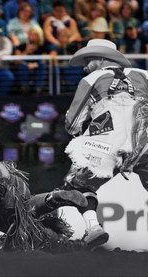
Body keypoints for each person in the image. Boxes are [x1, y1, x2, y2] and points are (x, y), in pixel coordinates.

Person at [62, 38, 148, 251]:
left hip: (105, 142)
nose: (85, 65)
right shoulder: (145, 75)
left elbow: (72, 124)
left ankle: (93, 228)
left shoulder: (91, 78)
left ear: (101, 59)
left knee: (78, 184)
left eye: (88, 59)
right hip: (145, 140)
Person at [14, 25, 47, 95]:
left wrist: (35, 65)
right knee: (23, 65)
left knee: (42, 64)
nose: (32, 37)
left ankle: (38, 88)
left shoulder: (43, 48)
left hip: (37, 69)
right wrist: (26, 52)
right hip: (25, 69)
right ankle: (25, 88)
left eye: (35, 35)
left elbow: (44, 60)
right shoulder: (21, 47)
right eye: (30, 34)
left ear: (39, 36)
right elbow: (16, 61)